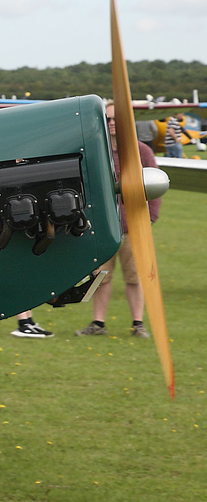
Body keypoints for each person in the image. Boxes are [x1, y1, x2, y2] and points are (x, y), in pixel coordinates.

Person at [77, 102, 161, 338]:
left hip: (133, 228)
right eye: (108, 119)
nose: (112, 123)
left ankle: (138, 323)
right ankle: (98, 324)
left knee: (135, 277)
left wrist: (149, 217)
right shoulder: (94, 150)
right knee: (101, 277)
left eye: (116, 119)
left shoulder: (141, 151)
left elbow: (155, 184)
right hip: (103, 229)